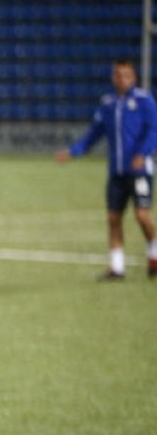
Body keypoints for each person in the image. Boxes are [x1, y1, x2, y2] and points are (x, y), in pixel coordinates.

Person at [56, 59, 157, 280]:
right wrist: (73, 152)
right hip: (117, 172)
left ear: (134, 77)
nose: (122, 79)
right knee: (113, 218)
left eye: (126, 75)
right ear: (113, 77)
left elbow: (153, 131)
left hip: (140, 171)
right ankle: (117, 267)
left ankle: (154, 254)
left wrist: (142, 153)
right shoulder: (108, 104)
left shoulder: (144, 101)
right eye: (118, 75)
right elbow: (94, 135)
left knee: (142, 215)